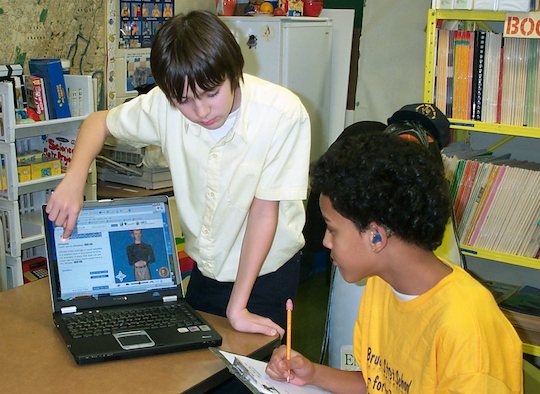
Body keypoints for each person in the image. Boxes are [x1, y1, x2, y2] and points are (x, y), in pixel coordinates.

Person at [45, 11, 310, 338]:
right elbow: (97, 123)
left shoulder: (281, 114)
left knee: (251, 378)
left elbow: (263, 214)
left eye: (212, 93)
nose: (201, 112)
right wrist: (74, 181)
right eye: (184, 101)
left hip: (265, 273)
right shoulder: (164, 104)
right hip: (207, 269)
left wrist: (237, 308)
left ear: (233, 70)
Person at [266, 130, 523, 393]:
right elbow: (375, 383)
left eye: (332, 229)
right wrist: (313, 373)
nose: (325, 242)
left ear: (376, 236)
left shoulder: (468, 330)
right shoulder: (381, 284)